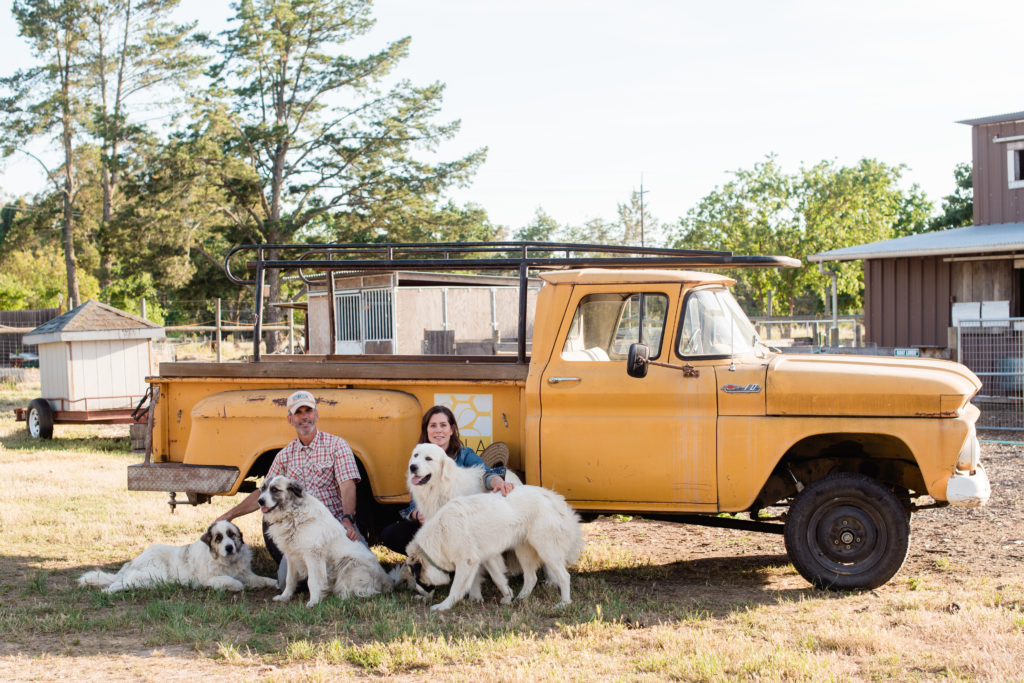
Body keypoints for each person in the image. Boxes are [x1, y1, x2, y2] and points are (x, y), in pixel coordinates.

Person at [216, 390, 363, 574]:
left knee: (359, 567)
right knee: (285, 579)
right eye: (298, 413)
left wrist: (347, 519)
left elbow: (347, 485)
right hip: (303, 530)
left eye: (308, 411)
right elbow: (263, 494)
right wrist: (229, 515)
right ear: (290, 419)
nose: (304, 417)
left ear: (316, 414)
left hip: (334, 524)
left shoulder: (337, 445)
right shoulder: (284, 456)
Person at [380, 404, 515, 556]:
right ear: (427, 430)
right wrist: (417, 514)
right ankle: (435, 562)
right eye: (433, 426)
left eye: (443, 425)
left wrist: (498, 482)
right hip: (432, 524)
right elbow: (414, 503)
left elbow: (485, 473)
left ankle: (454, 562)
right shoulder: (419, 455)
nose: (438, 430)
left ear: (451, 430)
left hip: (462, 525)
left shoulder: (463, 454)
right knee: (391, 534)